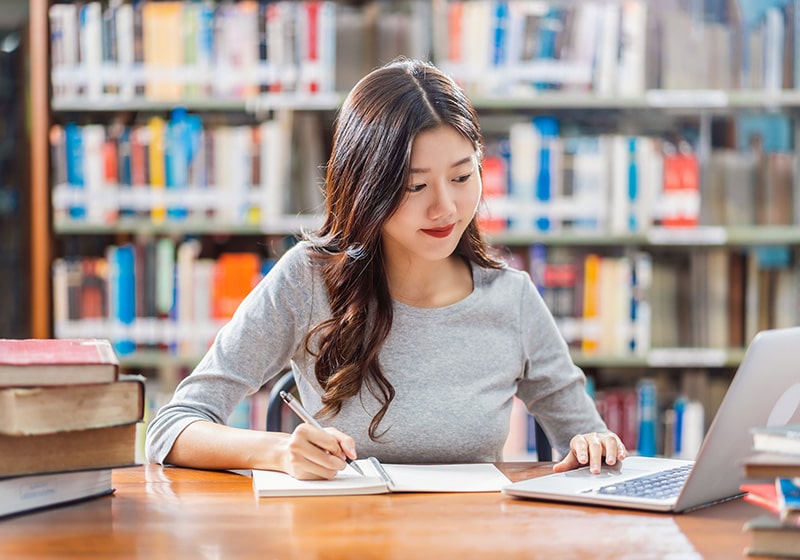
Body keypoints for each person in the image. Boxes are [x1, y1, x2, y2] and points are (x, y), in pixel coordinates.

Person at [145, 58, 626, 480]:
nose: (446, 208)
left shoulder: (512, 298)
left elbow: (586, 441)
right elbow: (171, 428)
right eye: (415, 187)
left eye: (462, 177)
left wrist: (593, 446)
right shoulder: (307, 280)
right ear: (366, 188)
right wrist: (277, 452)